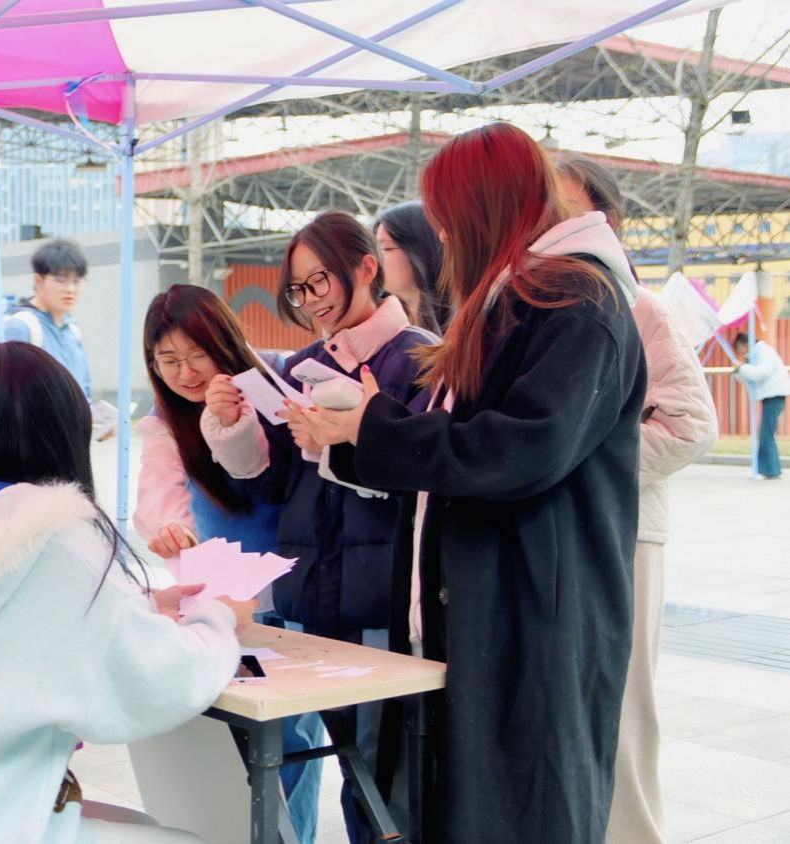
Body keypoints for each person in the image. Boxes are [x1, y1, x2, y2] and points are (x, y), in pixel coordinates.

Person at [290, 122, 647, 843]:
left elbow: (518, 449)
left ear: (487, 207)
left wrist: (373, 428)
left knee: (519, 808)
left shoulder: (577, 302)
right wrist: (356, 440)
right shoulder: (520, 298)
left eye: (449, 219)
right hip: (489, 604)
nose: (444, 238)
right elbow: (466, 447)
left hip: (533, 609)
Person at [0, 342, 255, 844]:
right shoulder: (54, 532)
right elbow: (159, 681)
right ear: (66, 425)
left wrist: (148, 605)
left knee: (148, 828)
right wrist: (217, 617)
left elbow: (27, 621)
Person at [200, 211, 436, 843]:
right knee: (343, 761)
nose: (311, 301)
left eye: (320, 281)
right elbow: (274, 480)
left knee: (381, 777)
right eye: (299, 289)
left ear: (367, 268)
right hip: (314, 590)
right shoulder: (301, 364)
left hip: (380, 595)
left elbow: (425, 479)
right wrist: (234, 425)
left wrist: (345, 440)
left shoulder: (419, 356)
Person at [558, 155, 719, 843]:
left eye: (565, 212)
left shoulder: (640, 307)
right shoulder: (551, 307)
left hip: (624, 533)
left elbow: (692, 425)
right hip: (562, 532)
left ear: (607, 221)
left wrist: (577, 467)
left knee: (622, 709)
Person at [134, 283, 322, 844]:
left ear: (225, 343)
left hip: (297, 592)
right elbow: (159, 495)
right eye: (168, 360)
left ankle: (295, 837)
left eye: (197, 354)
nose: (185, 373)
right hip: (227, 604)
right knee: (239, 734)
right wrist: (169, 529)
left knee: (296, 735)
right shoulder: (165, 421)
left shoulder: (275, 384)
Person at [4, 238, 93, 398]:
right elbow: (6, 395)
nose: (70, 289)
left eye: (76, 281)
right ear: (38, 280)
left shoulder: (72, 330)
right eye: (61, 280)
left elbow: (85, 391)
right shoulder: (21, 328)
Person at [373, 201, 449, 335]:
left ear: (421, 252)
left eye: (386, 248)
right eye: (375, 248)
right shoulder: (374, 322)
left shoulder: (465, 327)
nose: (375, 258)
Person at [734, 332, 788, 479]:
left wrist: (742, 368)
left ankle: (769, 471)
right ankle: (772, 470)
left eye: (739, 348)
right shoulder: (756, 354)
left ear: (744, 344)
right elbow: (750, 378)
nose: (740, 352)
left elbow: (761, 373)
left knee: (766, 435)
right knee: (766, 434)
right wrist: (739, 371)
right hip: (771, 397)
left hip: (775, 396)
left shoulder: (764, 352)